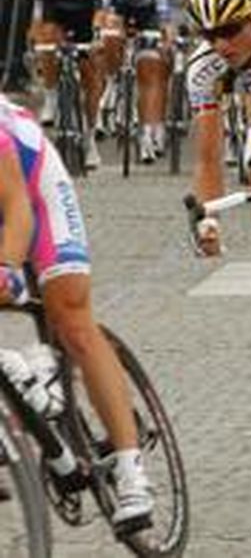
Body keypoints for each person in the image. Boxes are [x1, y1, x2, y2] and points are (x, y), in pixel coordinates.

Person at [0, 98, 155, 528]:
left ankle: (130, 471)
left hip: (31, 192)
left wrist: (9, 268)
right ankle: (22, 375)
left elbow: (17, 211)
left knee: (70, 319)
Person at [184, 0, 251, 253]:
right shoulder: (203, 68)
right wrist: (209, 221)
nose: (222, 45)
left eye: (230, 30)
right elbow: (209, 156)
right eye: (210, 35)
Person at [30, 0, 107, 167]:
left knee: (91, 80)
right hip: (57, 29)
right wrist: (34, 46)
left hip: (85, 30)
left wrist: (97, 37)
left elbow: (100, 15)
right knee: (46, 35)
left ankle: (90, 139)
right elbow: (36, 20)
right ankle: (51, 94)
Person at [99, 0, 172, 164]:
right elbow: (103, 14)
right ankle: (112, 79)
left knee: (150, 70)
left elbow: (164, 19)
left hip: (147, 21)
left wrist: (166, 39)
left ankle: (147, 132)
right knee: (110, 32)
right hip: (118, 18)